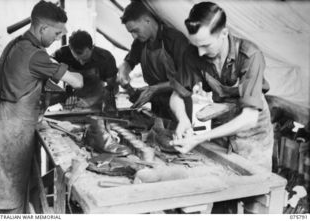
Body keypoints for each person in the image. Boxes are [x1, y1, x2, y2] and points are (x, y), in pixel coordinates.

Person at [0, 1, 83, 213]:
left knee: (22, 188)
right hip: (12, 131)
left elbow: (25, 83)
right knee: (9, 199)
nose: (60, 38)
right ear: (42, 28)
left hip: (6, 123)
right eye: (58, 33)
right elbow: (77, 82)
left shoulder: (17, 44)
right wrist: (78, 74)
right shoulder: (35, 54)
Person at [169, 2, 273, 171]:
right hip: (222, 124)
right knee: (221, 179)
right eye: (196, 45)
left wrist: (199, 138)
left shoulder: (250, 55)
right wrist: (183, 119)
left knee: (253, 184)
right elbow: (177, 95)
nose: (200, 52)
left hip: (253, 133)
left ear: (224, 33)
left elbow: (249, 118)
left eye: (205, 45)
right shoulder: (193, 53)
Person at [117, 1, 192, 123]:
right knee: (156, 136)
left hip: (179, 102)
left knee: (178, 138)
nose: (134, 36)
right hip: (156, 103)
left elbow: (187, 80)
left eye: (135, 30)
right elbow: (129, 61)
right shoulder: (140, 43)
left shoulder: (174, 39)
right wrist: (123, 71)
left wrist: (154, 89)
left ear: (147, 20)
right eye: (131, 32)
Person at [52, 30, 118, 113]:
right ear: (70, 48)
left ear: (92, 47)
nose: (81, 63)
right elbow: (46, 65)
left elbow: (113, 87)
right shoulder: (62, 53)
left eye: (85, 59)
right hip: (73, 103)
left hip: (98, 101)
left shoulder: (105, 58)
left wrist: (91, 101)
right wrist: (65, 96)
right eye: (77, 58)